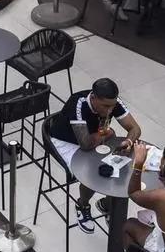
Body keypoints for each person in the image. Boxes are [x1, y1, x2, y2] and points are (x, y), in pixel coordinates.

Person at [48, 78, 143, 233]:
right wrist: (108, 133)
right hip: (67, 142)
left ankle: (107, 204)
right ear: (93, 98)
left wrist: (128, 141)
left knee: (120, 165)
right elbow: (85, 144)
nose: (110, 111)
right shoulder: (78, 104)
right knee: (93, 173)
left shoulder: (113, 102)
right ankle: (82, 204)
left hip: (95, 136)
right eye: (105, 106)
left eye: (112, 106)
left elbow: (135, 129)